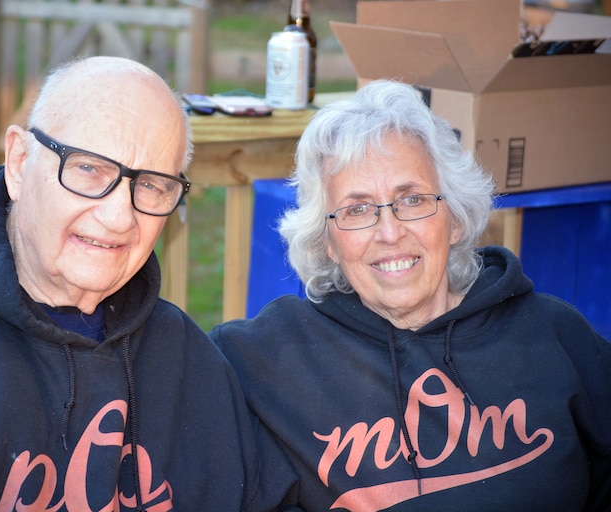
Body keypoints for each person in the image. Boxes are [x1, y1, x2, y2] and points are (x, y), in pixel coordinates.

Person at [0, 56, 299, 511]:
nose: (120, 217)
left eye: (152, 185)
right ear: (19, 163)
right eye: (88, 169)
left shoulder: (190, 363)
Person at [210, 79, 611, 511]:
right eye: (357, 209)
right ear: (327, 240)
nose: (389, 232)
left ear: (454, 218)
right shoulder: (268, 360)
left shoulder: (555, 338)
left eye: (413, 199)